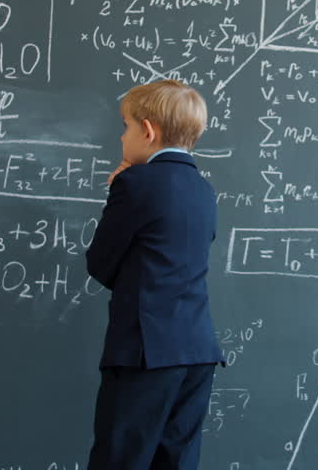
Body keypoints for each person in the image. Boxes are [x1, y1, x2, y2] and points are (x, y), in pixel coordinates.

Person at [85, 79, 226, 470]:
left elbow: (100, 263)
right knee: (175, 461)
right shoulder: (203, 189)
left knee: (121, 459)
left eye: (127, 126)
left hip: (145, 351)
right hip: (197, 350)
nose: (122, 135)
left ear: (148, 131)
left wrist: (116, 191)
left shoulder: (134, 182)